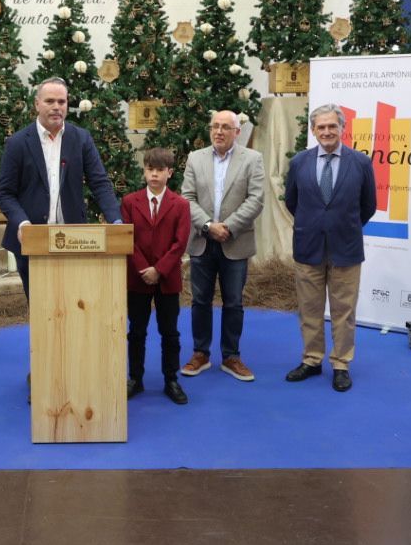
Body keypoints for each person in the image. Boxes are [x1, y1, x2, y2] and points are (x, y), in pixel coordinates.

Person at [0, 76, 122, 295]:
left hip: (74, 241)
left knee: (75, 304)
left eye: (62, 102)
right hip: (31, 240)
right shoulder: (17, 142)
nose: (56, 107)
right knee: (41, 309)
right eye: (50, 101)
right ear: (36, 104)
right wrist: (22, 223)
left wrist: (116, 220)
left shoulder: (81, 138)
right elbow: (5, 194)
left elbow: (100, 183)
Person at [284, 103, 376, 392]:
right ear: (313, 130)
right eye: (321, 127)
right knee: (309, 309)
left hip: (345, 248)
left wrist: (341, 226)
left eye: (331, 126)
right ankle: (312, 360)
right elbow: (292, 201)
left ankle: (340, 363)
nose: (326, 131)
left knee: (343, 311)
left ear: (342, 129)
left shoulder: (360, 162)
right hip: (308, 247)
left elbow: (368, 206)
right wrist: (315, 224)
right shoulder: (299, 162)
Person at [179, 109, 265, 382]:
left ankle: (231, 356)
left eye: (226, 127)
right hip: (202, 240)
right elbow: (187, 198)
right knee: (200, 301)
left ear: (237, 132)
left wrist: (228, 227)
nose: (219, 131)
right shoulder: (195, 158)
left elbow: (256, 199)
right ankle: (200, 353)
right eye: (215, 126)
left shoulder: (253, 159)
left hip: (235, 241)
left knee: (234, 302)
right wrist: (208, 226)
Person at [123, 148, 190, 405]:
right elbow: (128, 239)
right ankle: (135, 379)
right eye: (150, 169)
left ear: (169, 173)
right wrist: (144, 269)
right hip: (138, 278)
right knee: (136, 331)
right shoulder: (130, 202)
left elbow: (180, 243)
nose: (154, 174)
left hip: (167, 279)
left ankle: (171, 379)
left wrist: (159, 270)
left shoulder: (181, 205)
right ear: (144, 171)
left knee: (169, 332)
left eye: (160, 170)